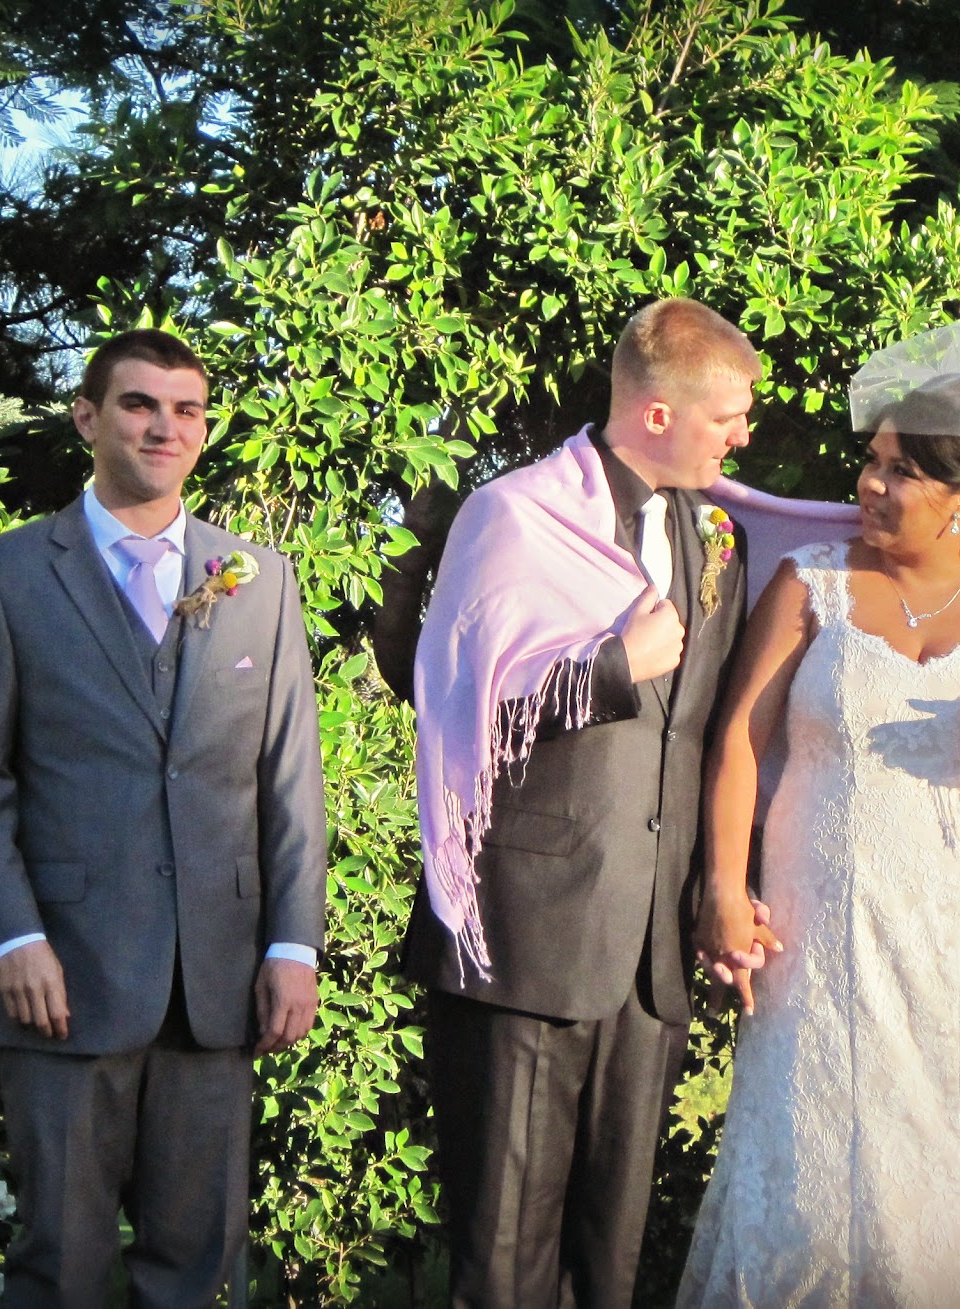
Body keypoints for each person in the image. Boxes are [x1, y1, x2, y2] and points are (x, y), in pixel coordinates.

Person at [676, 320, 960, 1308]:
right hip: (816, 923)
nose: (871, 487)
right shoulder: (811, 586)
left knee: (941, 1131)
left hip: (946, 929)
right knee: (807, 1133)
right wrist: (722, 885)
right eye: (872, 464)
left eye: (901, 473)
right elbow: (738, 745)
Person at [0, 328, 328, 1306]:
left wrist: (294, 946)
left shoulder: (259, 581)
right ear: (88, 417)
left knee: (197, 1268)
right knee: (61, 1266)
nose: (165, 426)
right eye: (139, 404)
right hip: (59, 976)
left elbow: (288, 781)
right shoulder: (5, 575)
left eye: (186, 409)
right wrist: (12, 936)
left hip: (216, 983)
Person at [400, 297, 769, 1309]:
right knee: (505, 1257)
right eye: (727, 415)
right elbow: (457, 694)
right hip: (526, 940)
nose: (743, 435)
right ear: (659, 414)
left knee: (607, 1260)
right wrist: (612, 667)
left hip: (647, 953)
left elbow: (709, 731)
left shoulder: (716, 534)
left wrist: (718, 893)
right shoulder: (514, 513)